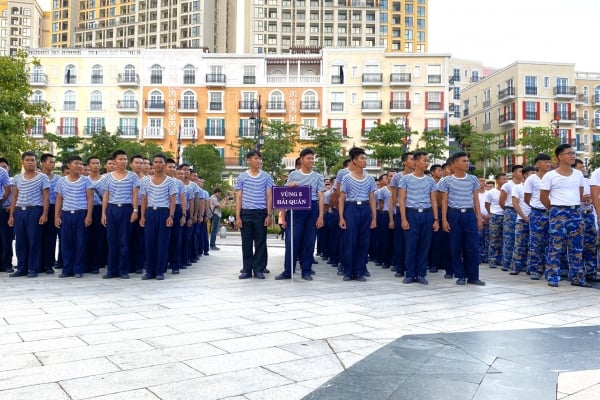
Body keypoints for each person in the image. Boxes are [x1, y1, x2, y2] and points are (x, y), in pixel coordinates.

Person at [540, 144, 588, 287]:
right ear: (559, 157)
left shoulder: (578, 174)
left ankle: (578, 277)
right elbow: (543, 197)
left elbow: (580, 193)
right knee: (555, 245)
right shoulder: (550, 176)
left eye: (573, 153)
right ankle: (553, 276)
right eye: (569, 153)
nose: (573, 156)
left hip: (575, 211)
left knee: (577, 246)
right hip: (558, 212)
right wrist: (555, 209)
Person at [276, 148, 325, 281]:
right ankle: (288, 271)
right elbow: (285, 195)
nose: (311, 161)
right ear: (302, 159)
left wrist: (321, 216)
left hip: (312, 208)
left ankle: (306, 270)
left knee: (309, 241)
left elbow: (321, 196)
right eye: (308, 158)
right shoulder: (293, 175)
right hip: (296, 210)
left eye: (312, 158)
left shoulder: (318, 176)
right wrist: (283, 214)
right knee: (292, 240)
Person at [438, 152, 485, 286]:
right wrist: (444, 220)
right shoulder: (446, 181)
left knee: (472, 247)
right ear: (455, 164)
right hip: (454, 215)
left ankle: (473, 276)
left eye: (467, 161)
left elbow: (476, 199)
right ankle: (460, 275)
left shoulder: (473, 179)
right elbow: (444, 201)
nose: (467, 163)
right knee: (455, 246)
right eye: (464, 161)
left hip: (469, 214)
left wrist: (479, 217)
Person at [398, 151, 439, 285]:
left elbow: (433, 201)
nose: (427, 163)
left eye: (428, 161)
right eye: (424, 160)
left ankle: (421, 274)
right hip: (411, 214)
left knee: (424, 245)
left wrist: (436, 219)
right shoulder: (406, 179)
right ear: (416, 162)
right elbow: (402, 200)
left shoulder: (430, 180)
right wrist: (403, 219)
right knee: (410, 245)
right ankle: (410, 274)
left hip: (427, 214)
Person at [8, 151, 50, 278]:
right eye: (27, 160)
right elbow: (14, 196)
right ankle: (22, 268)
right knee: (20, 241)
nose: (30, 162)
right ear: (22, 162)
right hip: (19, 211)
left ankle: (33, 268)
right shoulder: (16, 178)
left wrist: (45, 213)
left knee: (34, 240)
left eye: (32, 160)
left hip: (35, 211)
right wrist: (11, 215)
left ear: (36, 162)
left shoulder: (43, 177)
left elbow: (46, 196)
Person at [338, 147, 376, 281]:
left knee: (363, 242)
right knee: (350, 241)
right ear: (354, 161)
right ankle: (348, 271)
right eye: (362, 158)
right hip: (351, 208)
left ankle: (359, 271)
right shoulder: (347, 178)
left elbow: (372, 198)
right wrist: (341, 217)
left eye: (365, 158)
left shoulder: (370, 179)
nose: (365, 160)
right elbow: (341, 198)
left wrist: (374, 217)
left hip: (365, 209)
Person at [101, 150, 139, 280]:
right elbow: (106, 195)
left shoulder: (132, 176)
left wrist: (135, 210)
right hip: (112, 209)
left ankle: (123, 270)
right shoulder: (108, 177)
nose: (123, 161)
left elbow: (135, 194)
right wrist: (103, 213)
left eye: (125, 159)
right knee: (112, 241)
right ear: (114, 161)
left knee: (124, 241)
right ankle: (112, 270)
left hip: (126, 209)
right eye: (121, 159)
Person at [235, 150, 274, 279]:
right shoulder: (242, 177)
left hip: (261, 213)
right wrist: (238, 216)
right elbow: (239, 197)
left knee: (260, 242)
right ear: (248, 160)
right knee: (246, 242)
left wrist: (269, 214)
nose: (259, 161)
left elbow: (269, 196)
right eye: (256, 158)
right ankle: (247, 269)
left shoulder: (267, 177)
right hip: (246, 213)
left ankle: (258, 269)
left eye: (260, 158)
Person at [54, 155, 93, 278]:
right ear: (69, 165)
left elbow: (90, 198)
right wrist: (56, 216)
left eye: (81, 164)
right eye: (76, 163)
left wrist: (89, 215)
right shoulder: (61, 181)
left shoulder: (86, 180)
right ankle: (67, 269)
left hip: (81, 214)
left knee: (80, 243)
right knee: (66, 243)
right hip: (66, 215)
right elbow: (59, 199)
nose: (79, 166)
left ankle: (78, 269)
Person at [139, 154, 177, 280]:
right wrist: (142, 216)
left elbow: (172, 200)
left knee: (162, 243)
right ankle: (150, 271)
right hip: (150, 213)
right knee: (149, 243)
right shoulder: (145, 181)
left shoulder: (170, 181)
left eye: (160, 162)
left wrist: (171, 216)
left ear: (164, 164)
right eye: (155, 162)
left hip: (164, 212)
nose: (158, 164)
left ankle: (160, 271)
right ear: (152, 164)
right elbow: (144, 199)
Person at [524, 153, 552, 280]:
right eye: (544, 161)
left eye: (548, 161)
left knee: (552, 241)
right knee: (536, 242)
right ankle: (536, 269)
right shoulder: (531, 179)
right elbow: (526, 198)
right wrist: (537, 206)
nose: (547, 164)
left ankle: (550, 269)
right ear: (537, 164)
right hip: (537, 212)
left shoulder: (553, 176)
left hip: (552, 211)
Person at [509, 166, 536, 275]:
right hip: (522, 219)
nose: (534, 175)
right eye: (532, 173)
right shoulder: (518, 187)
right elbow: (515, 203)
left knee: (533, 245)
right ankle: (516, 267)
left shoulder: (537, 187)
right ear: (525, 175)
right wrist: (524, 217)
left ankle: (531, 267)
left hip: (534, 219)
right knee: (519, 244)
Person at [499, 165, 523, 272]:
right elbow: (501, 201)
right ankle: (506, 262)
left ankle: (518, 263)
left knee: (520, 239)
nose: (521, 173)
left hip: (522, 211)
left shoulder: (524, 185)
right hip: (510, 211)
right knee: (509, 237)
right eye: (519, 171)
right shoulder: (507, 185)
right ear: (513, 173)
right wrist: (508, 210)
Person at [40, 153, 60, 274]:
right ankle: (37, 263)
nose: (53, 164)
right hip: (39, 207)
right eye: (50, 162)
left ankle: (49, 264)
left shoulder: (59, 179)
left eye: (54, 162)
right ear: (43, 162)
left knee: (51, 238)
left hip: (53, 208)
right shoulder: (37, 176)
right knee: (37, 237)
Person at [0, 159, 14, 272]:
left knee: (5, 238)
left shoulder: (2, 172)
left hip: (3, 209)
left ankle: (6, 264)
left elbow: (8, 190)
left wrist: (1, 202)